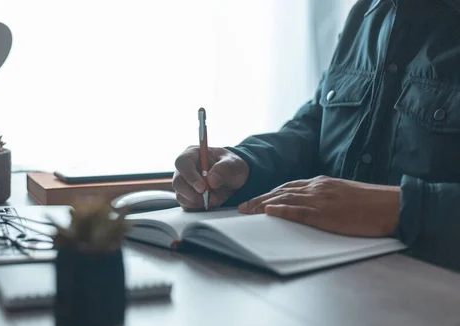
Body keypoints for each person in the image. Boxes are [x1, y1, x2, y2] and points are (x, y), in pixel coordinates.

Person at [172, 0, 460, 271]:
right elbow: (317, 127)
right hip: (338, 283)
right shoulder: (366, 15)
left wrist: (398, 208)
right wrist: (245, 162)